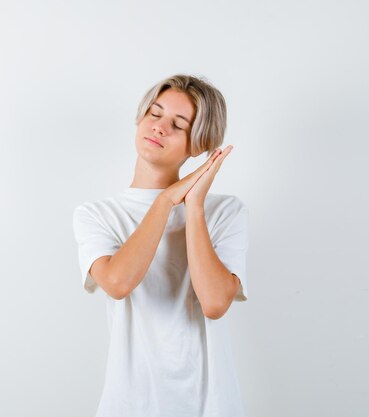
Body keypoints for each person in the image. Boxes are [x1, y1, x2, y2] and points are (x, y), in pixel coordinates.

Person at [72, 74, 249, 417]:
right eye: (155, 114)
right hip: (129, 405)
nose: (160, 127)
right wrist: (167, 199)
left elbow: (214, 303)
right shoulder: (97, 214)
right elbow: (118, 283)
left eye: (178, 124)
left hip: (210, 406)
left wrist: (193, 206)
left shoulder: (225, 212)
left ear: (199, 144)